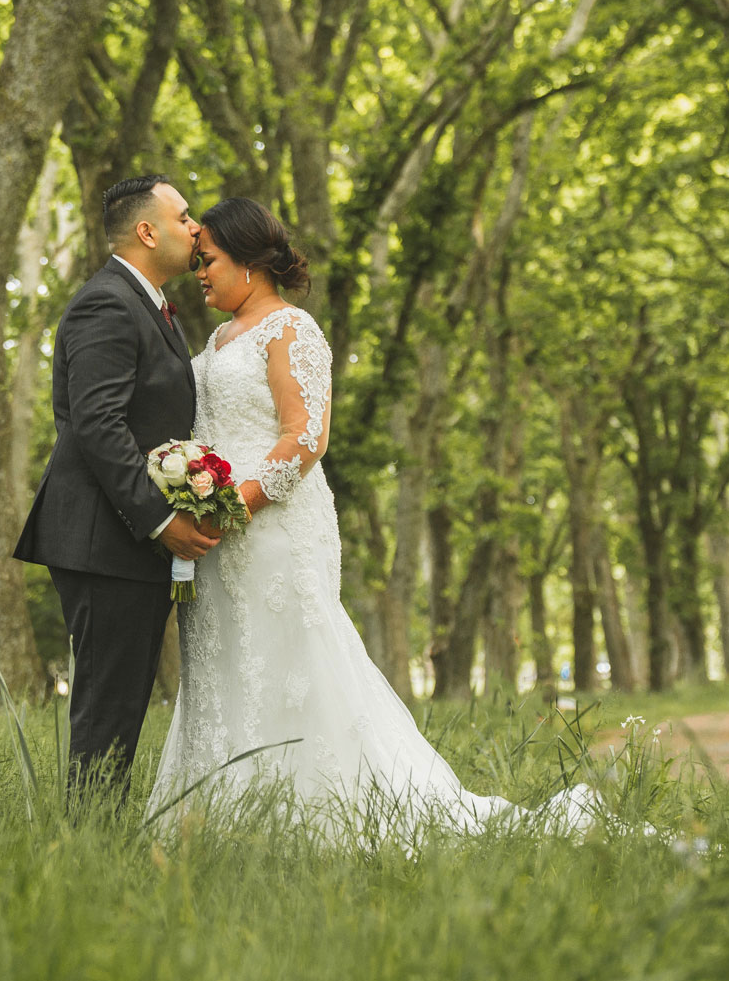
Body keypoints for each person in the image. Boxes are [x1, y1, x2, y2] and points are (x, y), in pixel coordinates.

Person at [146, 197, 596, 839]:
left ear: (249, 260)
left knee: (291, 660)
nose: (200, 272)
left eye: (209, 260)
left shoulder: (291, 329)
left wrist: (232, 503)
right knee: (226, 661)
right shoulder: (217, 339)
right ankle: (223, 816)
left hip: (273, 527)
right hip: (215, 537)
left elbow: (306, 438)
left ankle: (317, 815)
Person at [13, 174, 220, 806]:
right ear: (146, 230)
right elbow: (96, 425)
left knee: (122, 702)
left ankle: (96, 840)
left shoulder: (145, 304)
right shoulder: (105, 303)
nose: (196, 228)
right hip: (106, 537)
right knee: (107, 708)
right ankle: (87, 846)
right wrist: (161, 521)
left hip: (122, 539)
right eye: (184, 217)